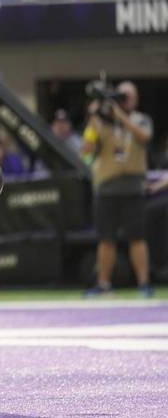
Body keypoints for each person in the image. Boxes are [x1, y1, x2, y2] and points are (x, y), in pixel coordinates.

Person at [82, 81, 153, 297]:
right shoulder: (101, 122)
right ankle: (103, 283)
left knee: (137, 237)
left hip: (133, 186)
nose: (126, 100)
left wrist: (120, 116)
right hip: (107, 187)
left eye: (129, 96)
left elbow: (144, 137)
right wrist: (94, 118)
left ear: (136, 98)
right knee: (106, 239)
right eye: (122, 96)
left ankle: (144, 283)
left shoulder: (141, 119)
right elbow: (87, 151)